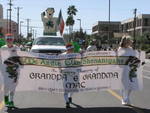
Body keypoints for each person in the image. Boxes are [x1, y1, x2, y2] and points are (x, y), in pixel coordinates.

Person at [117, 35, 140, 105]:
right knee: (124, 85)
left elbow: (135, 58)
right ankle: (124, 99)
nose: (131, 43)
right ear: (125, 42)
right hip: (123, 69)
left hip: (131, 69)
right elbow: (119, 60)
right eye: (129, 42)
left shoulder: (131, 49)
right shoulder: (120, 49)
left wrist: (138, 54)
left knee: (131, 85)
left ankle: (127, 97)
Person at [1, 33, 20, 108]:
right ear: (5, 40)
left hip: (15, 71)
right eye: (7, 39)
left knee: (13, 86)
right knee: (6, 87)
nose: (9, 40)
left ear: (13, 40)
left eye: (10, 39)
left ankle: (11, 100)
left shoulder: (17, 48)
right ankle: (6, 99)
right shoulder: (2, 48)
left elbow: (21, 58)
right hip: (5, 71)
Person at [62, 43, 74, 108]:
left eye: (72, 49)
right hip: (65, 74)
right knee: (65, 89)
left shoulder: (75, 55)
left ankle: (70, 97)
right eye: (71, 49)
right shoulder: (62, 56)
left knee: (73, 88)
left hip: (73, 74)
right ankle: (67, 102)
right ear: (67, 49)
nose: (72, 50)